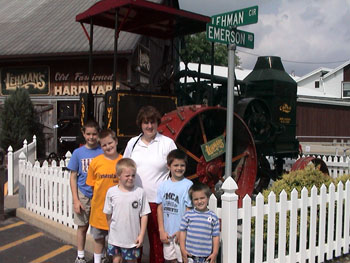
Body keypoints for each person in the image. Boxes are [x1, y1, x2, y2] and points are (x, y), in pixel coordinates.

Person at [123, 105, 177, 263]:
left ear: (157, 123)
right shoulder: (133, 143)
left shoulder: (167, 143)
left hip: (157, 201)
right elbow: (124, 166)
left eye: (152, 122)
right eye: (146, 122)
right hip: (135, 200)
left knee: (156, 241)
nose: (149, 126)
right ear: (140, 124)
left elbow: (176, 168)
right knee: (135, 240)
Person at [67, 120, 103, 263]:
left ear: (98, 134)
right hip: (83, 194)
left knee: (99, 229)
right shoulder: (78, 153)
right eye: (88, 134)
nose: (91, 137)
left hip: (99, 195)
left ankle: (99, 256)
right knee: (82, 226)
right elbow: (73, 176)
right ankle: (80, 255)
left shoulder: (102, 151)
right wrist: (76, 199)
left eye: (94, 134)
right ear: (83, 134)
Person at [103, 158, 151, 263]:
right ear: (118, 175)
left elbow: (144, 215)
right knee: (116, 260)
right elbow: (108, 214)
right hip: (115, 238)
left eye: (133, 175)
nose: (130, 178)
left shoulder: (140, 193)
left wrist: (141, 235)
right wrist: (111, 231)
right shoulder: (111, 192)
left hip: (132, 238)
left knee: (132, 261)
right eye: (127, 176)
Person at [86, 129, 123, 263]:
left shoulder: (122, 161)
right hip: (99, 210)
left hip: (117, 212)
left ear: (116, 141)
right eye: (104, 145)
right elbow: (92, 185)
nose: (108, 147)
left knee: (116, 243)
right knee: (98, 238)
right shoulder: (96, 162)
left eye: (110, 143)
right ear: (100, 147)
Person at [156, 149, 193, 263]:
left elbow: (189, 210)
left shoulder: (188, 185)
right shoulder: (163, 186)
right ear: (169, 166)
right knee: (171, 260)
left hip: (181, 233)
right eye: (175, 165)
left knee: (184, 258)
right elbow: (160, 208)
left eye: (182, 165)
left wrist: (182, 230)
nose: (179, 168)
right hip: (168, 233)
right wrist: (161, 230)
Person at [179, 183, 220, 263]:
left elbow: (215, 236)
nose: (199, 201)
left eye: (202, 198)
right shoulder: (188, 215)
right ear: (192, 201)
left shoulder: (213, 217)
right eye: (196, 199)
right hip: (190, 256)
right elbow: (182, 232)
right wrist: (182, 249)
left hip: (206, 258)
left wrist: (215, 252)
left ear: (207, 198)